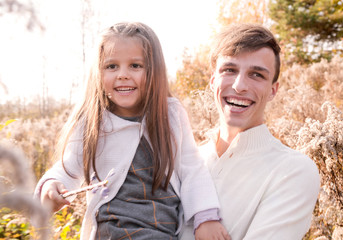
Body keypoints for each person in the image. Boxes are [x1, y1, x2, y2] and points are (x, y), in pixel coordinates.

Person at [34, 22, 230, 240]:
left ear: (154, 70)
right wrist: (51, 185)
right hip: (113, 229)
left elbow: (192, 168)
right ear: (98, 73)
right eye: (111, 66)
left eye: (135, 66)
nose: (123, 75)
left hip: (162, 229)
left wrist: (206, 216)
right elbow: (67, 168)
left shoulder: (170, 114)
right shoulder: (94, 121)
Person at [180, 23, 320, 239]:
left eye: (256, 75)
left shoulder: (293, 171)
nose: (239, 85)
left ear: (273, 90)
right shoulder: (185, 163)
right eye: (229, 70)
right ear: (212, 80)